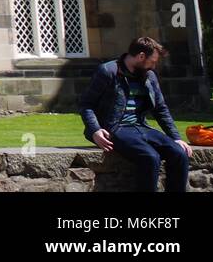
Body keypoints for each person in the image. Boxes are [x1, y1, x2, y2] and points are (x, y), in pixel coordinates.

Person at [79, 36, 192, 192]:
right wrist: (95, 130)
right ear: (141, 56)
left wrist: (176, 138)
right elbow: (86, 104)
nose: (153, 66)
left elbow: (160, 108)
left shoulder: (149, 76)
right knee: (150, 157)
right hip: (115, 127)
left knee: (179, 153)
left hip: (140, 126)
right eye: (152, 62)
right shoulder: (108, 71)